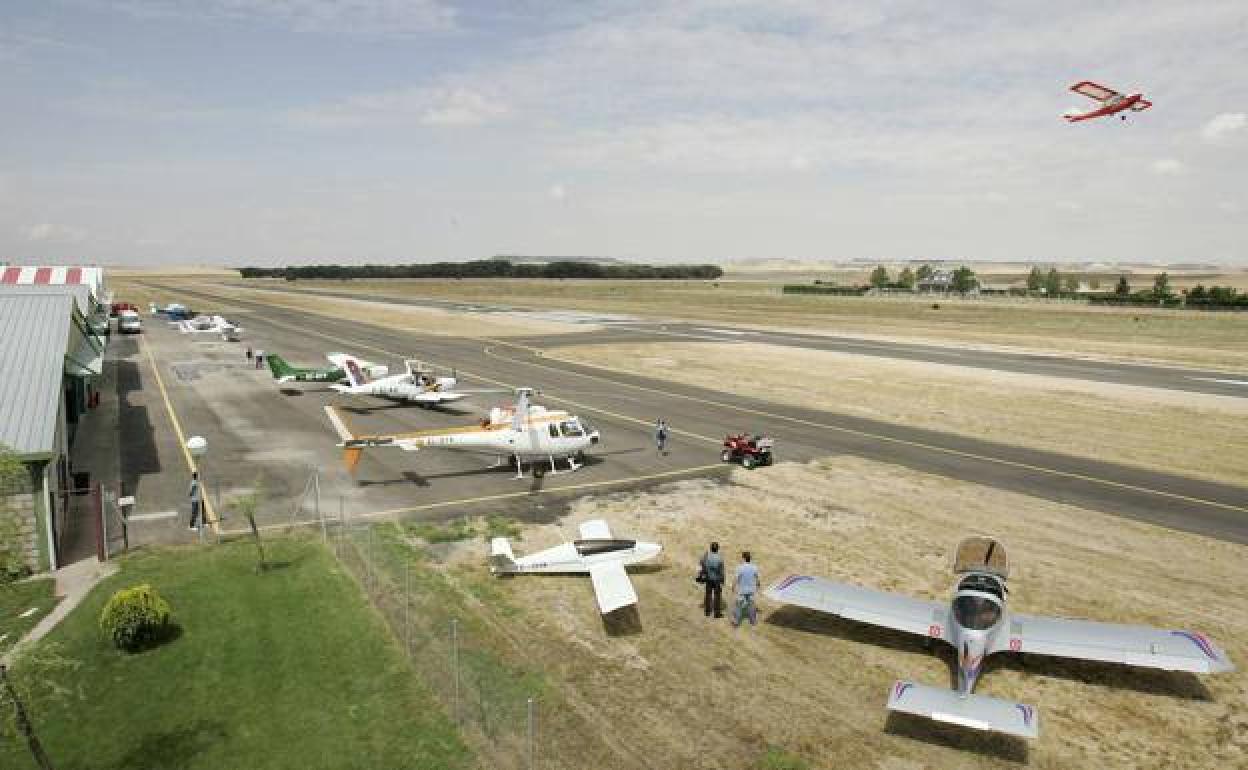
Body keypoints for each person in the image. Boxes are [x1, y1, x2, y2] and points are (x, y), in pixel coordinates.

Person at [732, 551, 760, 627]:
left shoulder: (740, 567)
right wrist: (758, 586)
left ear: (743, 558)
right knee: (751, 605)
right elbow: (757, 578)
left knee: (738, 606)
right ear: (749, 558)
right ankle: (753, 621)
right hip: (751, 590)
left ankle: (736, 622)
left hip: (742, 590)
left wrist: (733, 587)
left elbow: (736, 579)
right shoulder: (754, 567)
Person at [699, 542, 725, 618]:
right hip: (716, 579)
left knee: (708, 595)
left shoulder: (707, 556)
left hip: (708, 578)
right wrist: (722, 581)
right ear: (717, 549)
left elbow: (701, 563)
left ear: (710, 548)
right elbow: (721, 571)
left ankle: (707, 611)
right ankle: (717, 613)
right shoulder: (720, 559)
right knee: (717, 596)